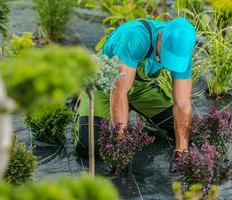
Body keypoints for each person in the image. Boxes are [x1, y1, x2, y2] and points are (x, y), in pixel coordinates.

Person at [75, 17, 196, 172]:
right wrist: (121, 146)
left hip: (140, 89)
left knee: (186, 130)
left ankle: (137, 115)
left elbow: (183, 104)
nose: (163, 60)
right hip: (104, 86)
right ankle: (80, 110)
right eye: (164, 54)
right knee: (90, 146)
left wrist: (181, 152)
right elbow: (118, 92)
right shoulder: (135, 36)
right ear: (160, 36)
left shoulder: (182, 51)